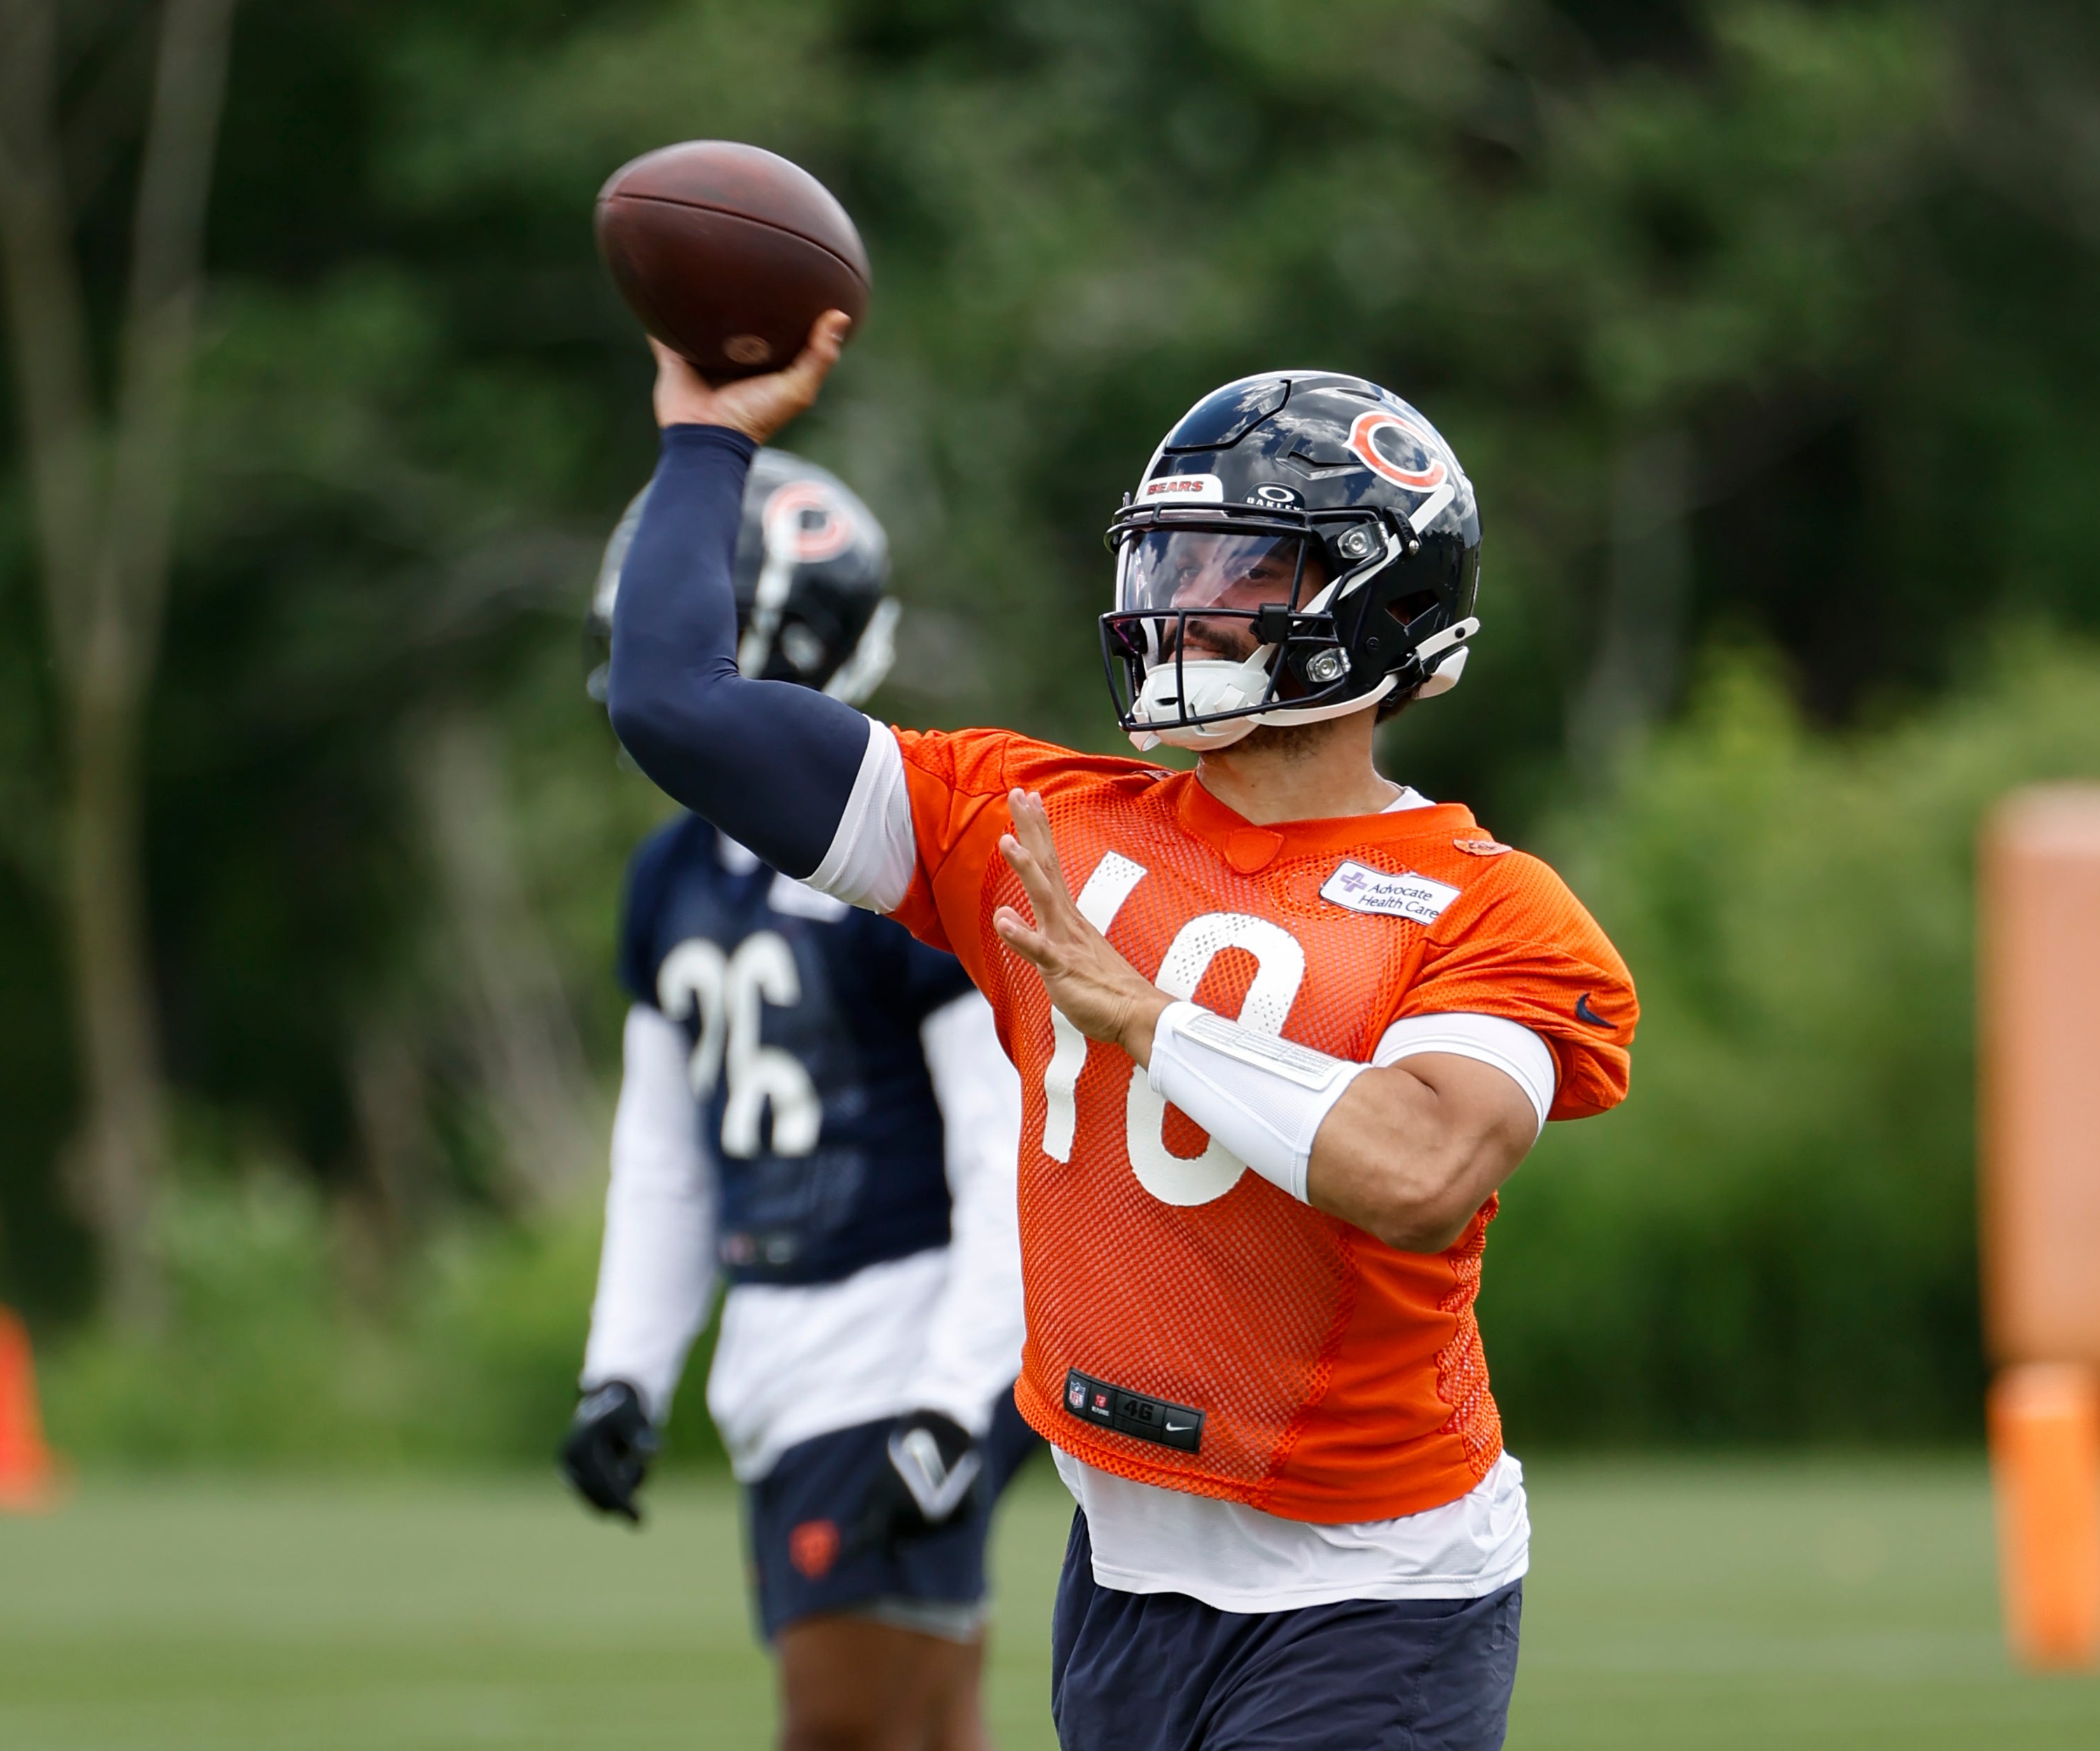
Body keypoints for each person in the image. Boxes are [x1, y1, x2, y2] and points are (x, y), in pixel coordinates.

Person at [603, 312, 1639, 1751]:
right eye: (1171, 557)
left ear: (1378, 602)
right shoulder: (1037, 824)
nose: (1183, 602)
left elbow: (1418, 1168)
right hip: (1123, 1580)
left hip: (1372, 1584)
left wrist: (1150, 1017)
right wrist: (706, 435)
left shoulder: (1491, 904)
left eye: (1239, 567)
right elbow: (675, 706)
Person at [562, 448, 1038, 1751]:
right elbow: (664, 1151)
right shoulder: (672, 877)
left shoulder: (898, 871)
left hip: (897, 1339)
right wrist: (625, 1372)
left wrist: (956, 1394)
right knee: (927, 1731)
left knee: (836, 1729)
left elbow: (1004, 1152)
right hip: (779, 1355)